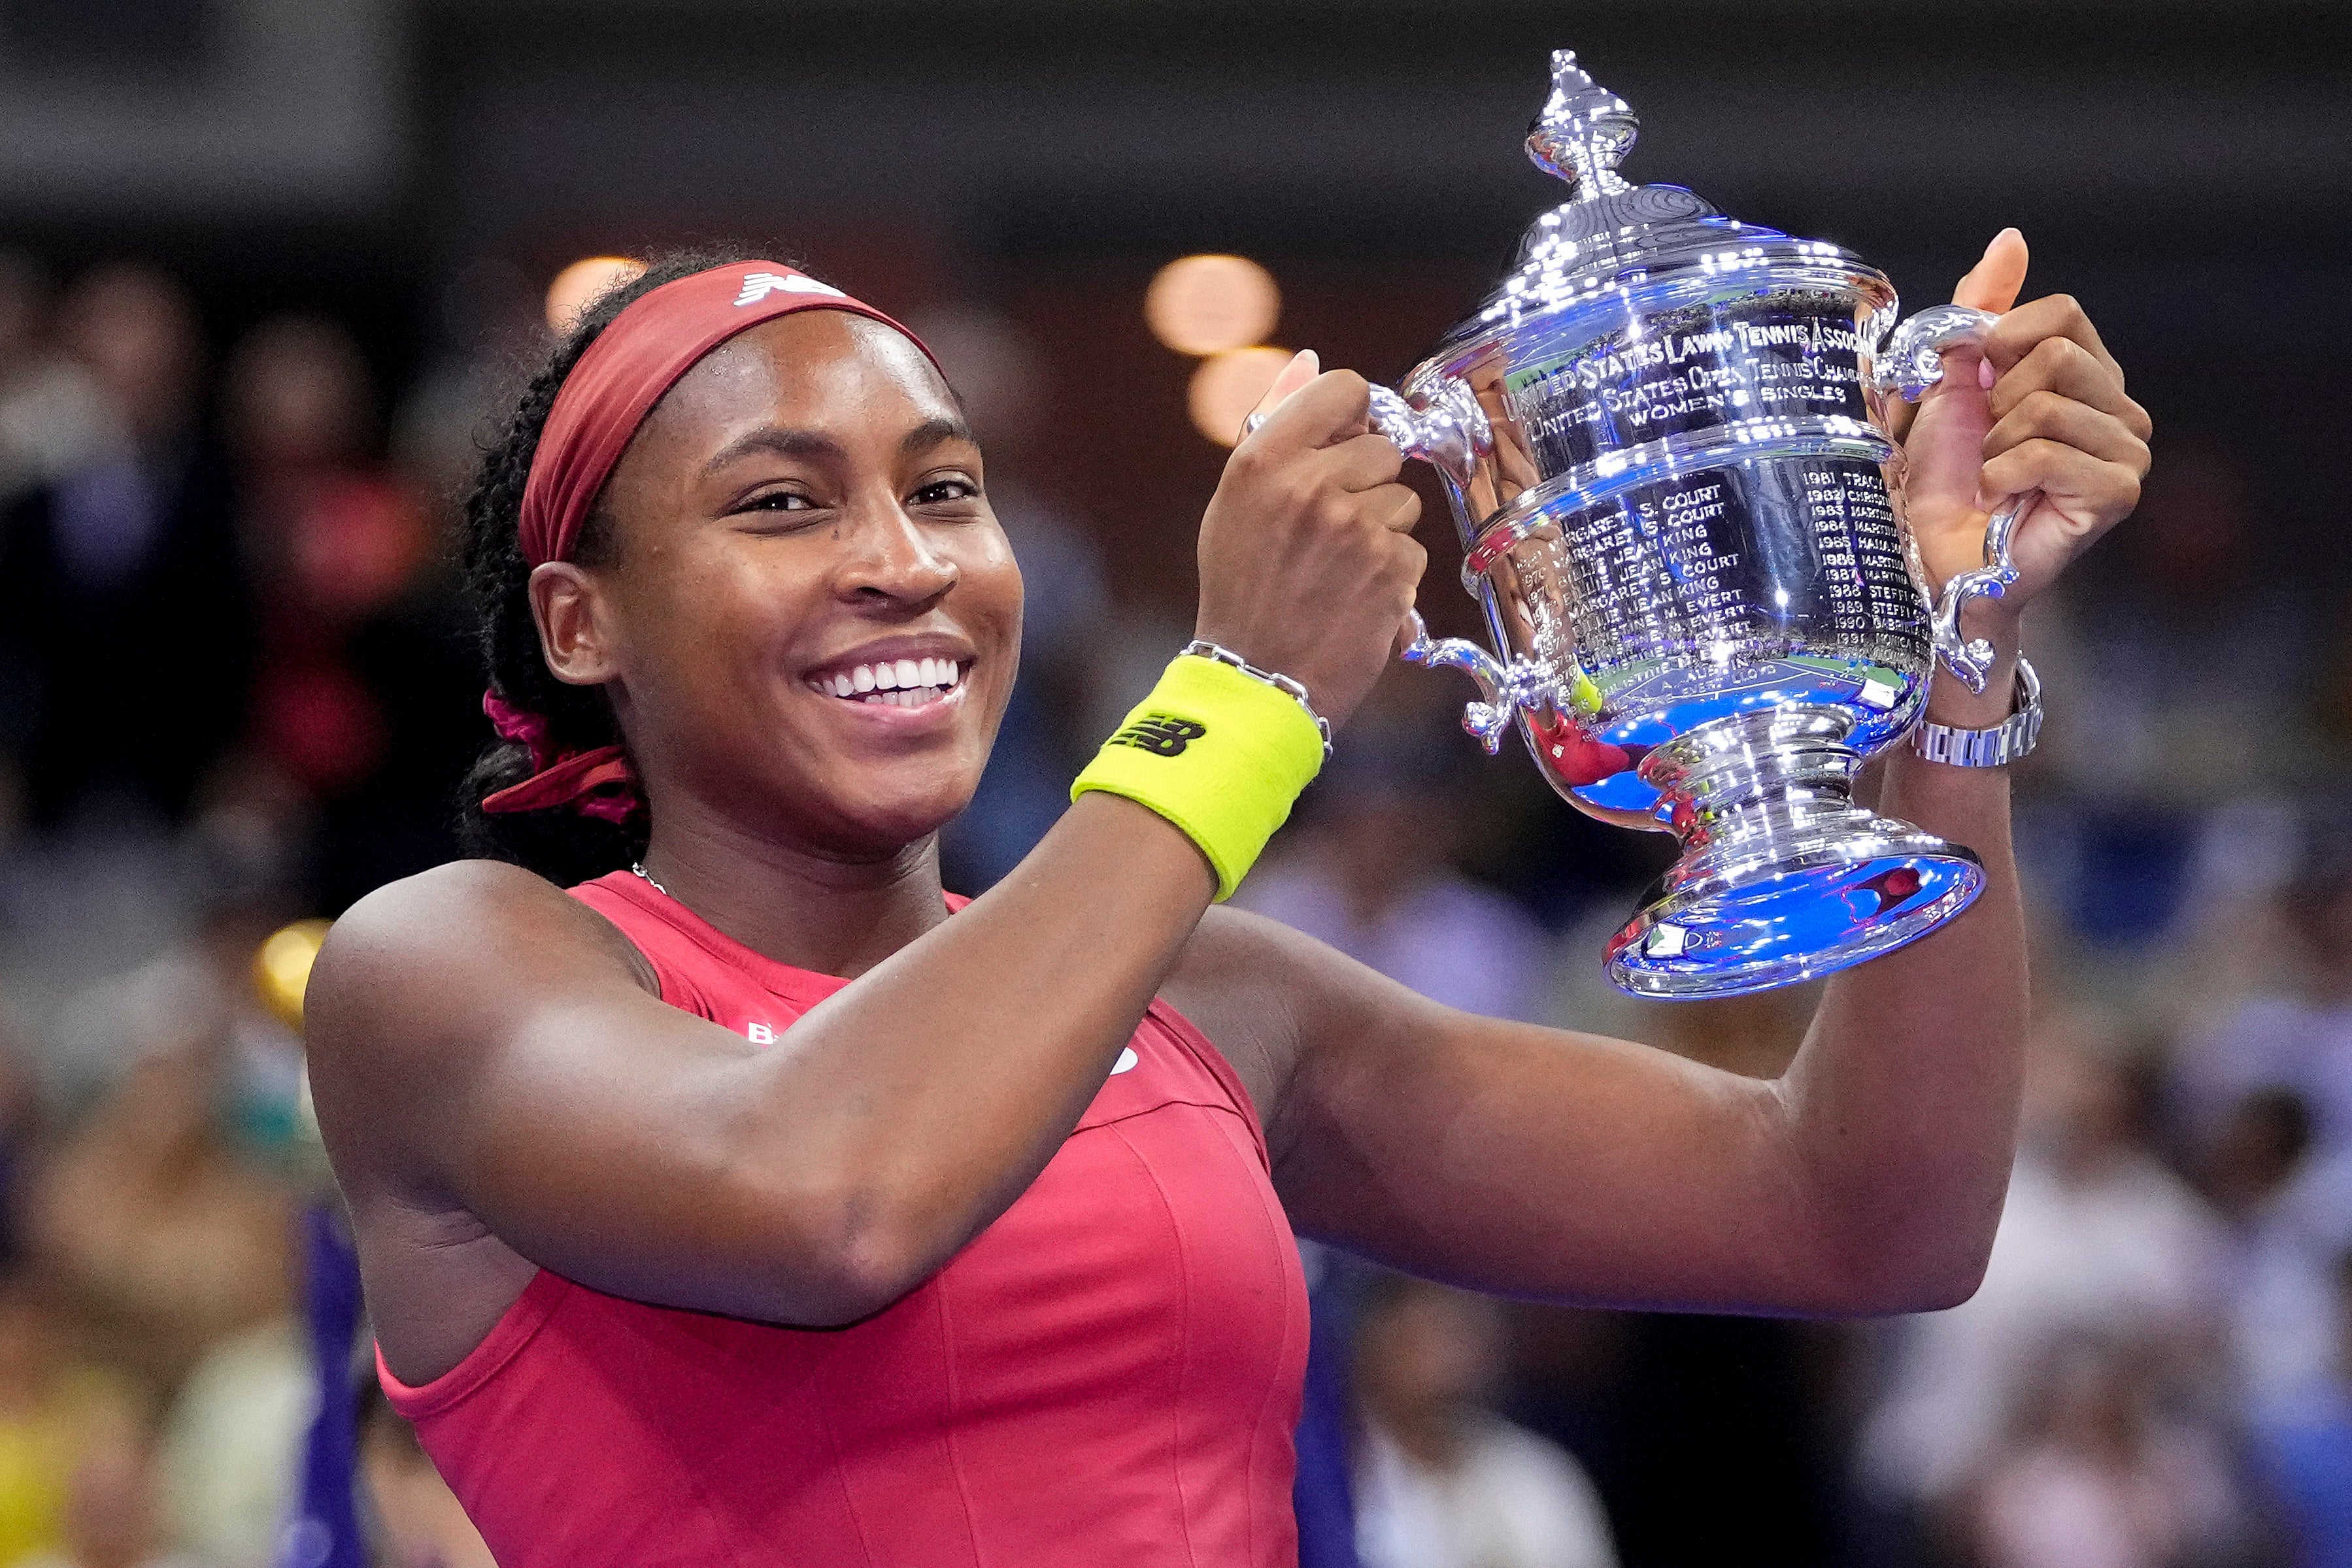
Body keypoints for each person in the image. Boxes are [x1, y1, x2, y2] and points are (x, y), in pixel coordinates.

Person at [306, 233, 2150, 1565]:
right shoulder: (449, 968)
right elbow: (827, 1194)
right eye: (780, 504)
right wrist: (1242, 698)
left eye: (944, 490)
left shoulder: (1217, 1001)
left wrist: (1953, 651)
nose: (899, 562)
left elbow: (1866, 1215)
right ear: (579, 622)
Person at [1351, 1275, 1617, 1568]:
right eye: (1428, 1343)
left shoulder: (1540, 1477)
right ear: (1378, 1345)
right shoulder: (1346, 1472)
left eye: (1462, 1341)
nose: (1450, 1369)